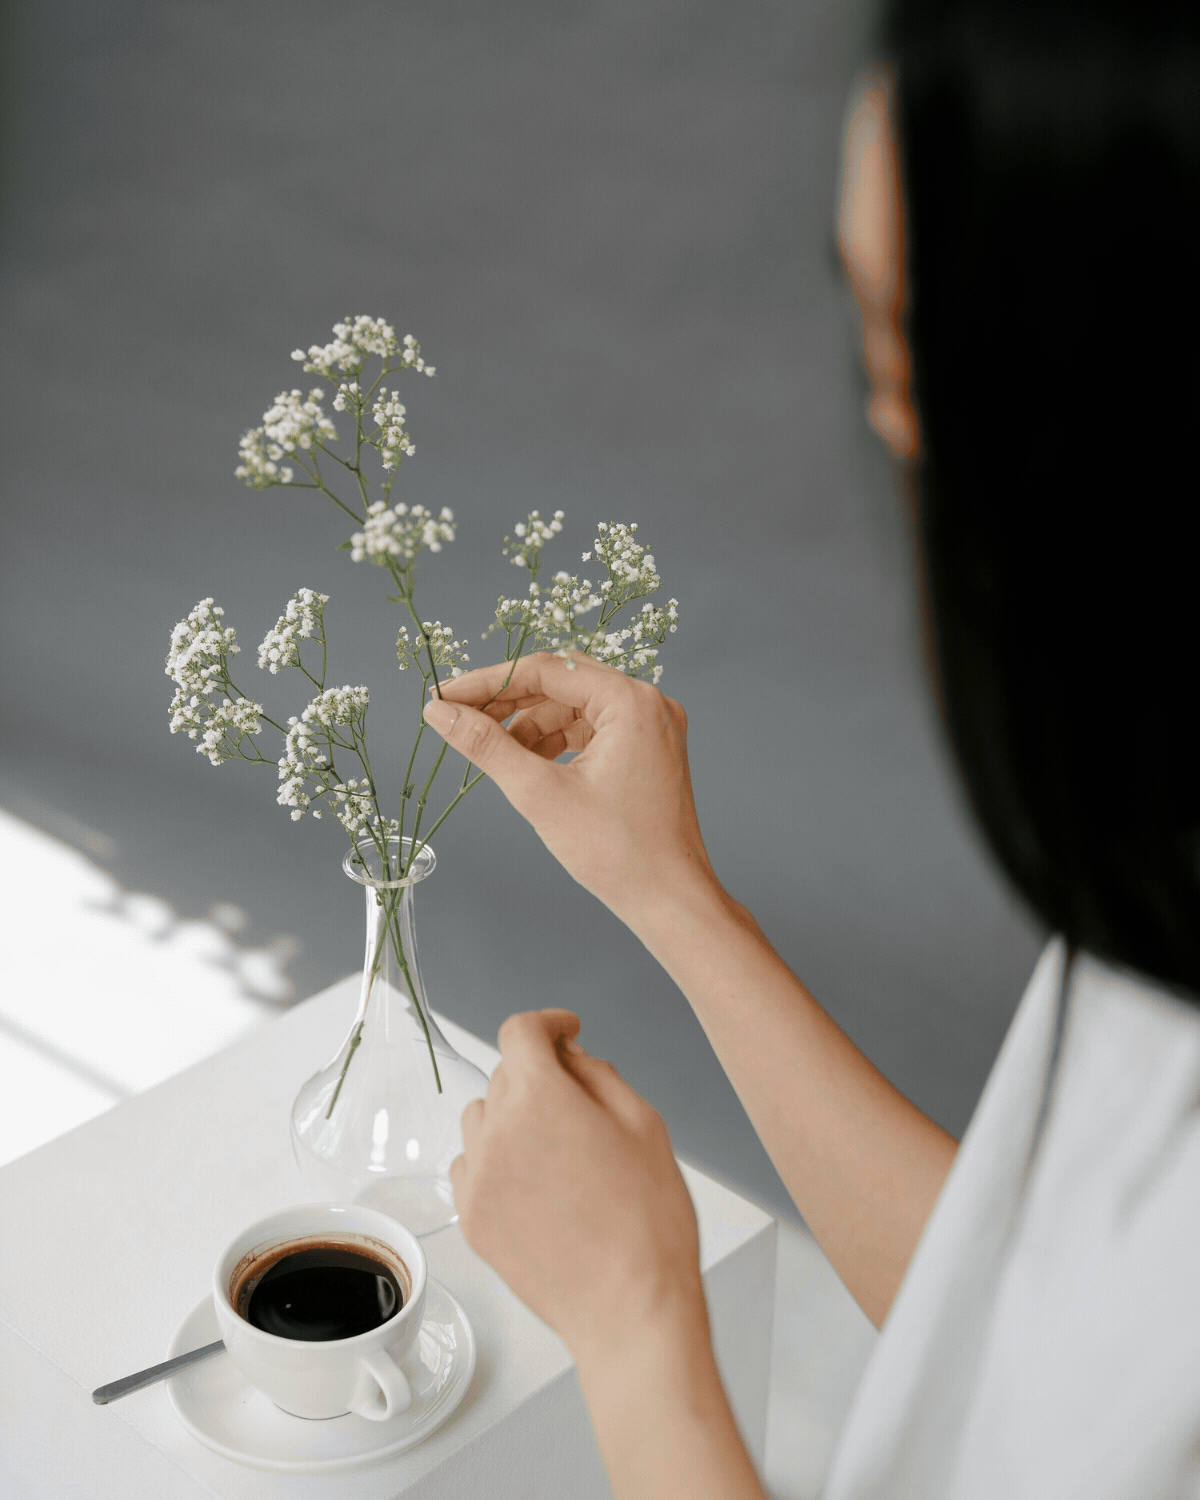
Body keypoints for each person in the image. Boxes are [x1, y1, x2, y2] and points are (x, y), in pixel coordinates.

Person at [421, 2, 1200, 1495]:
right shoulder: (1168, 895)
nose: (891, 450)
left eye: (915, 371)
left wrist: (638, 1322)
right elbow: (1053, 1338)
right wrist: (671, 899)